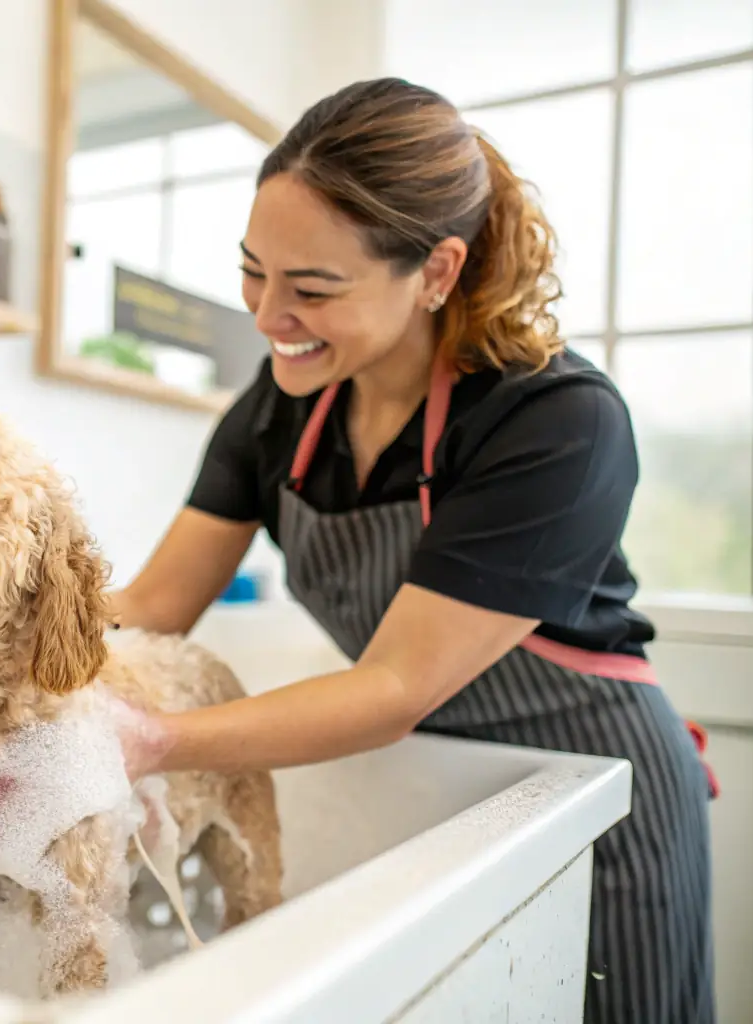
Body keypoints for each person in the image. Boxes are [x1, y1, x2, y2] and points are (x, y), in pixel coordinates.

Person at [104, 78, 717, 1024]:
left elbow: (393, 687)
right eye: (251, 271)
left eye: (311, 288)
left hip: (593, 799)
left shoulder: (555, 421)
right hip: (437, 792)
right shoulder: (276, 412)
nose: (267, 315)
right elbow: (150, 607)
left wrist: (150, 741)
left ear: (435, 271)